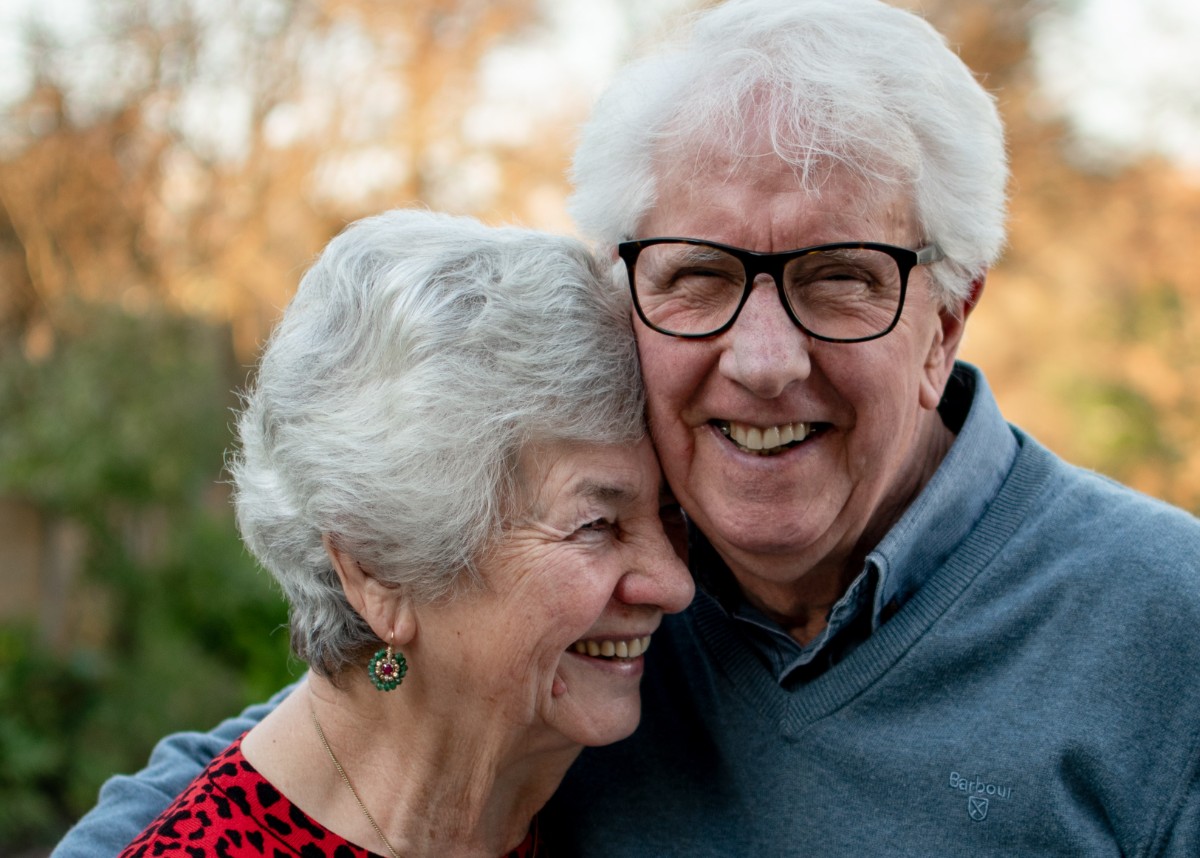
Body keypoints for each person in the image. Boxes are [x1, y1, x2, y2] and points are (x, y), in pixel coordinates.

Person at [55, 0, 1200, 855]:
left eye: (842, 277)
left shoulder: (1167, 629)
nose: (760, 363)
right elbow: (338, 729)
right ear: (630, 286)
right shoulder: (619, 605)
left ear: (949, 317)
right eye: (700, 275)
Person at [109, 208, 694, 857]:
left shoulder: (592, 794)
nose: (674, 584)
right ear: (377, 569)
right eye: (596, 525)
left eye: (670, 513)